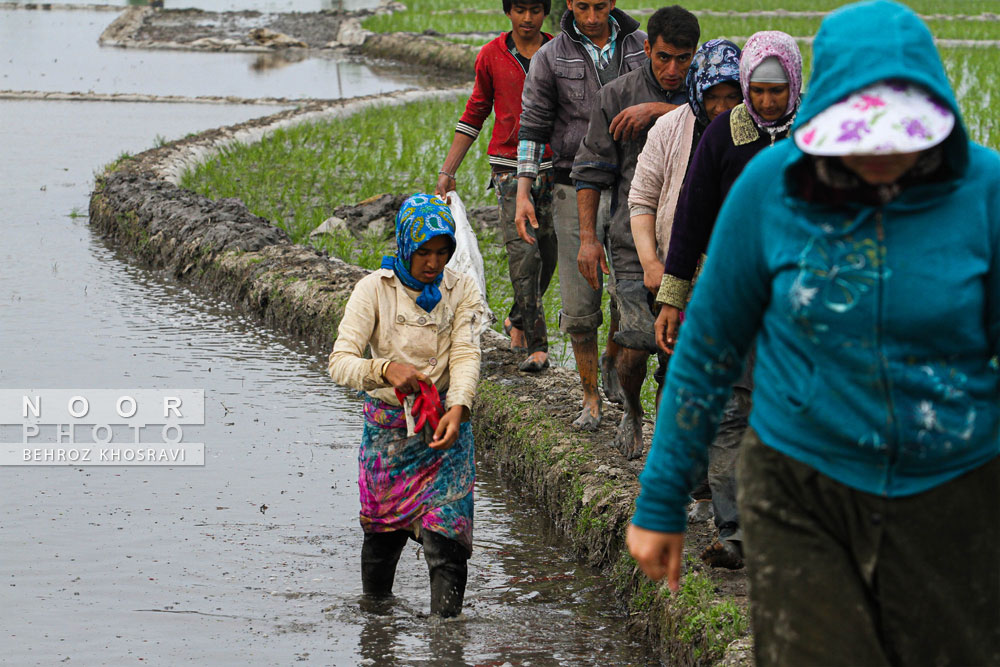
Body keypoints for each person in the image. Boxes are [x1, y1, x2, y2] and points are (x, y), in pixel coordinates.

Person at [627, 2, 1000, 665]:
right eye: (861, 138)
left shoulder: (983, 191)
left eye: (900, 136)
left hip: (952, 487)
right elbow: (708, 348)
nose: (880, 157)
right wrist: (661, 500)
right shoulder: (773, 188)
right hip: (804, 486)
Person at [649, 30, 802, 569]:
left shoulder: (813, 139)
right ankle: (733, 529)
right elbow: (690, 218)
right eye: (755, 91)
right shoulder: (724, 137)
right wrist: (672, 299)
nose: (764, 102)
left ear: (794, 85)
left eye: (775, 92)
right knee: (731, 410)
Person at [328, 194, 483, 618]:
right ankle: (376, 622)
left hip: (443, 433)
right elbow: (340, 361)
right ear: (404, 246)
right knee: (383, 538)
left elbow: (467, 353)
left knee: (447, 543)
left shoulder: (461, 289)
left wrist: (460, 406)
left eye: (442, 252)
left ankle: (445, 636)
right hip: (389, 436)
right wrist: (384, 369)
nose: (433, 263)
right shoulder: (373, 291)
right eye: (423, 253)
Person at [570, 5, 699, 459]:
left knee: (676, 356)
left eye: (684, 59)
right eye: (664, 57)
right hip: (629, 242)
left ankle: (666, 449)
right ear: (647, 49)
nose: (673, 69)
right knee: (637, 346)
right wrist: (588, 239)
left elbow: (730, 125)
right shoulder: (615, 95)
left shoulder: (709, 95)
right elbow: (590, 173)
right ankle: (631, 408)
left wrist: (663, 112)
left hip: (692, 247)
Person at [515, 0, 648, 430]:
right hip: (573, 185)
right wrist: (523, 193)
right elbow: (533, 128)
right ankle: (589, 395)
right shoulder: (550, 58)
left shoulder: (641, 47)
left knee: (627, 286)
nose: (591, 16)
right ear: (570, 4)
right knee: (579, 297)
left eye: (600, 5)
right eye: (583, 6)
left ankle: (613, 357)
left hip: (633, 182)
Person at [436, 0, 555, 373]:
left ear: (546, 12)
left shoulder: (558, 52)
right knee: (524, 255)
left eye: (535, 10)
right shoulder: (491, 56)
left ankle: (517, 318)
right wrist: (448, 170)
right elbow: (476, 111)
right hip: (507, 167)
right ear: (508, 11)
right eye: (520, 9)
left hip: (554, 167)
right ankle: (537, 345)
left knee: (550, 254)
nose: (527, 18)